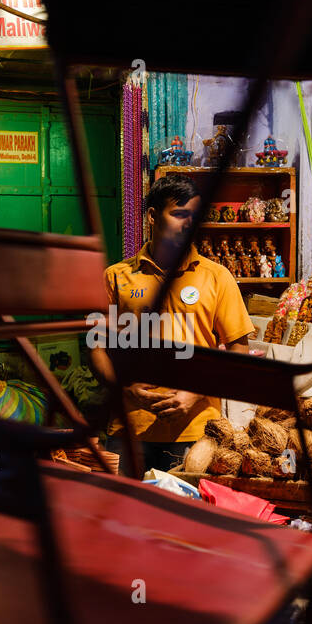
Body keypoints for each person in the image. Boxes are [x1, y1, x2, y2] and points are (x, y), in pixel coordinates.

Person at [91, 175, 256, 473]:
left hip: (196, 431)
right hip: (129, 429)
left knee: (186, 515)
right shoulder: (115, 277)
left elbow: (238, 350)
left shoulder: (216, 277)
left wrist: (193, 394)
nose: (188, 224)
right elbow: (95, 349)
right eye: (179, 214)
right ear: (152, 216)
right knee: (126, 515)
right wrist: (125, 388)